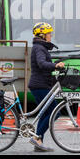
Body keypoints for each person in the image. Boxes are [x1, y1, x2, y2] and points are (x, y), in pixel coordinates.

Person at [28, 22, 65, 152]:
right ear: (42, 35)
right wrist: (55, 66)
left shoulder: (40, 47)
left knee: (45, 113)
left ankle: (38, 141)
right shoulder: (39, 48)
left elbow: (44, 63)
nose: (50, 36)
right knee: (55, 112)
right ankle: (37, 138)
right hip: (40, 85)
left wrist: (55, 63)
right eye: (49, 34)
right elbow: (41, 63)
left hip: (41, 84)